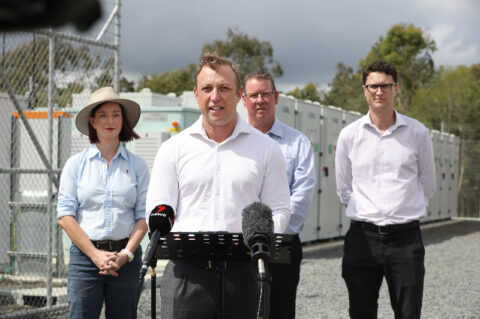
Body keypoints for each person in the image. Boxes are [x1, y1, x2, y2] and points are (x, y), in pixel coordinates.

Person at [146, 53, 291, 319]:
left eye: (224, 88)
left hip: (246, 276)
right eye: (207, 88)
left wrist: (262, 240)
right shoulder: (172, 150)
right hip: (186, 277)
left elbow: (279, 209)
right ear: (196, 94)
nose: (216, 96)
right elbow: (157, 210)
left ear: (238, 95)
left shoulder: (267, 149)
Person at [335, 60, 436, 319]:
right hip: (362, 238)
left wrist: (402, 210)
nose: (378, 92)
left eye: (385, 86)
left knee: (408, 312)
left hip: (405, 240)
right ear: (364, 90)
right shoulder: (349, 135)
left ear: (396, 88)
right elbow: (344, 188)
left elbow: (428, 184)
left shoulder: (417, 132)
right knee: (361, 311)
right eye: (373, 86)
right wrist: (369, 212)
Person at [57, 87, 150, 319]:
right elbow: (65, 216)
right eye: (103, 115)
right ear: (92, 121)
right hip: (85, 260)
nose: (110, 121)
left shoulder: (138, 166)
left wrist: (125, 254)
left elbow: (143, 216)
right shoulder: (75, 165)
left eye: (116, 114)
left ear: (123, 120)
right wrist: (95, 255)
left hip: (126, 260)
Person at [242, 71, 316, 319]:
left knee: (280, 311)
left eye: (265, 94)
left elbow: (302, 195)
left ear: (276, 97)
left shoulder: (298, 143)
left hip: (282, 245)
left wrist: (268, 233)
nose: (260, 100)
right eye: (254, 95)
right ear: (243, 99)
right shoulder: (234, 142)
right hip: (239, 246)